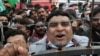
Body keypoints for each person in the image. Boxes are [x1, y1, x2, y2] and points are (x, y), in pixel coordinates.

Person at [0, 10, 89, 56]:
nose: (59, 28)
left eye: (65, 24)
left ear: (71, 27)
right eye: (53, 25)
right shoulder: (34, 48)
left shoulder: (85, 43)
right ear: (47, 29)